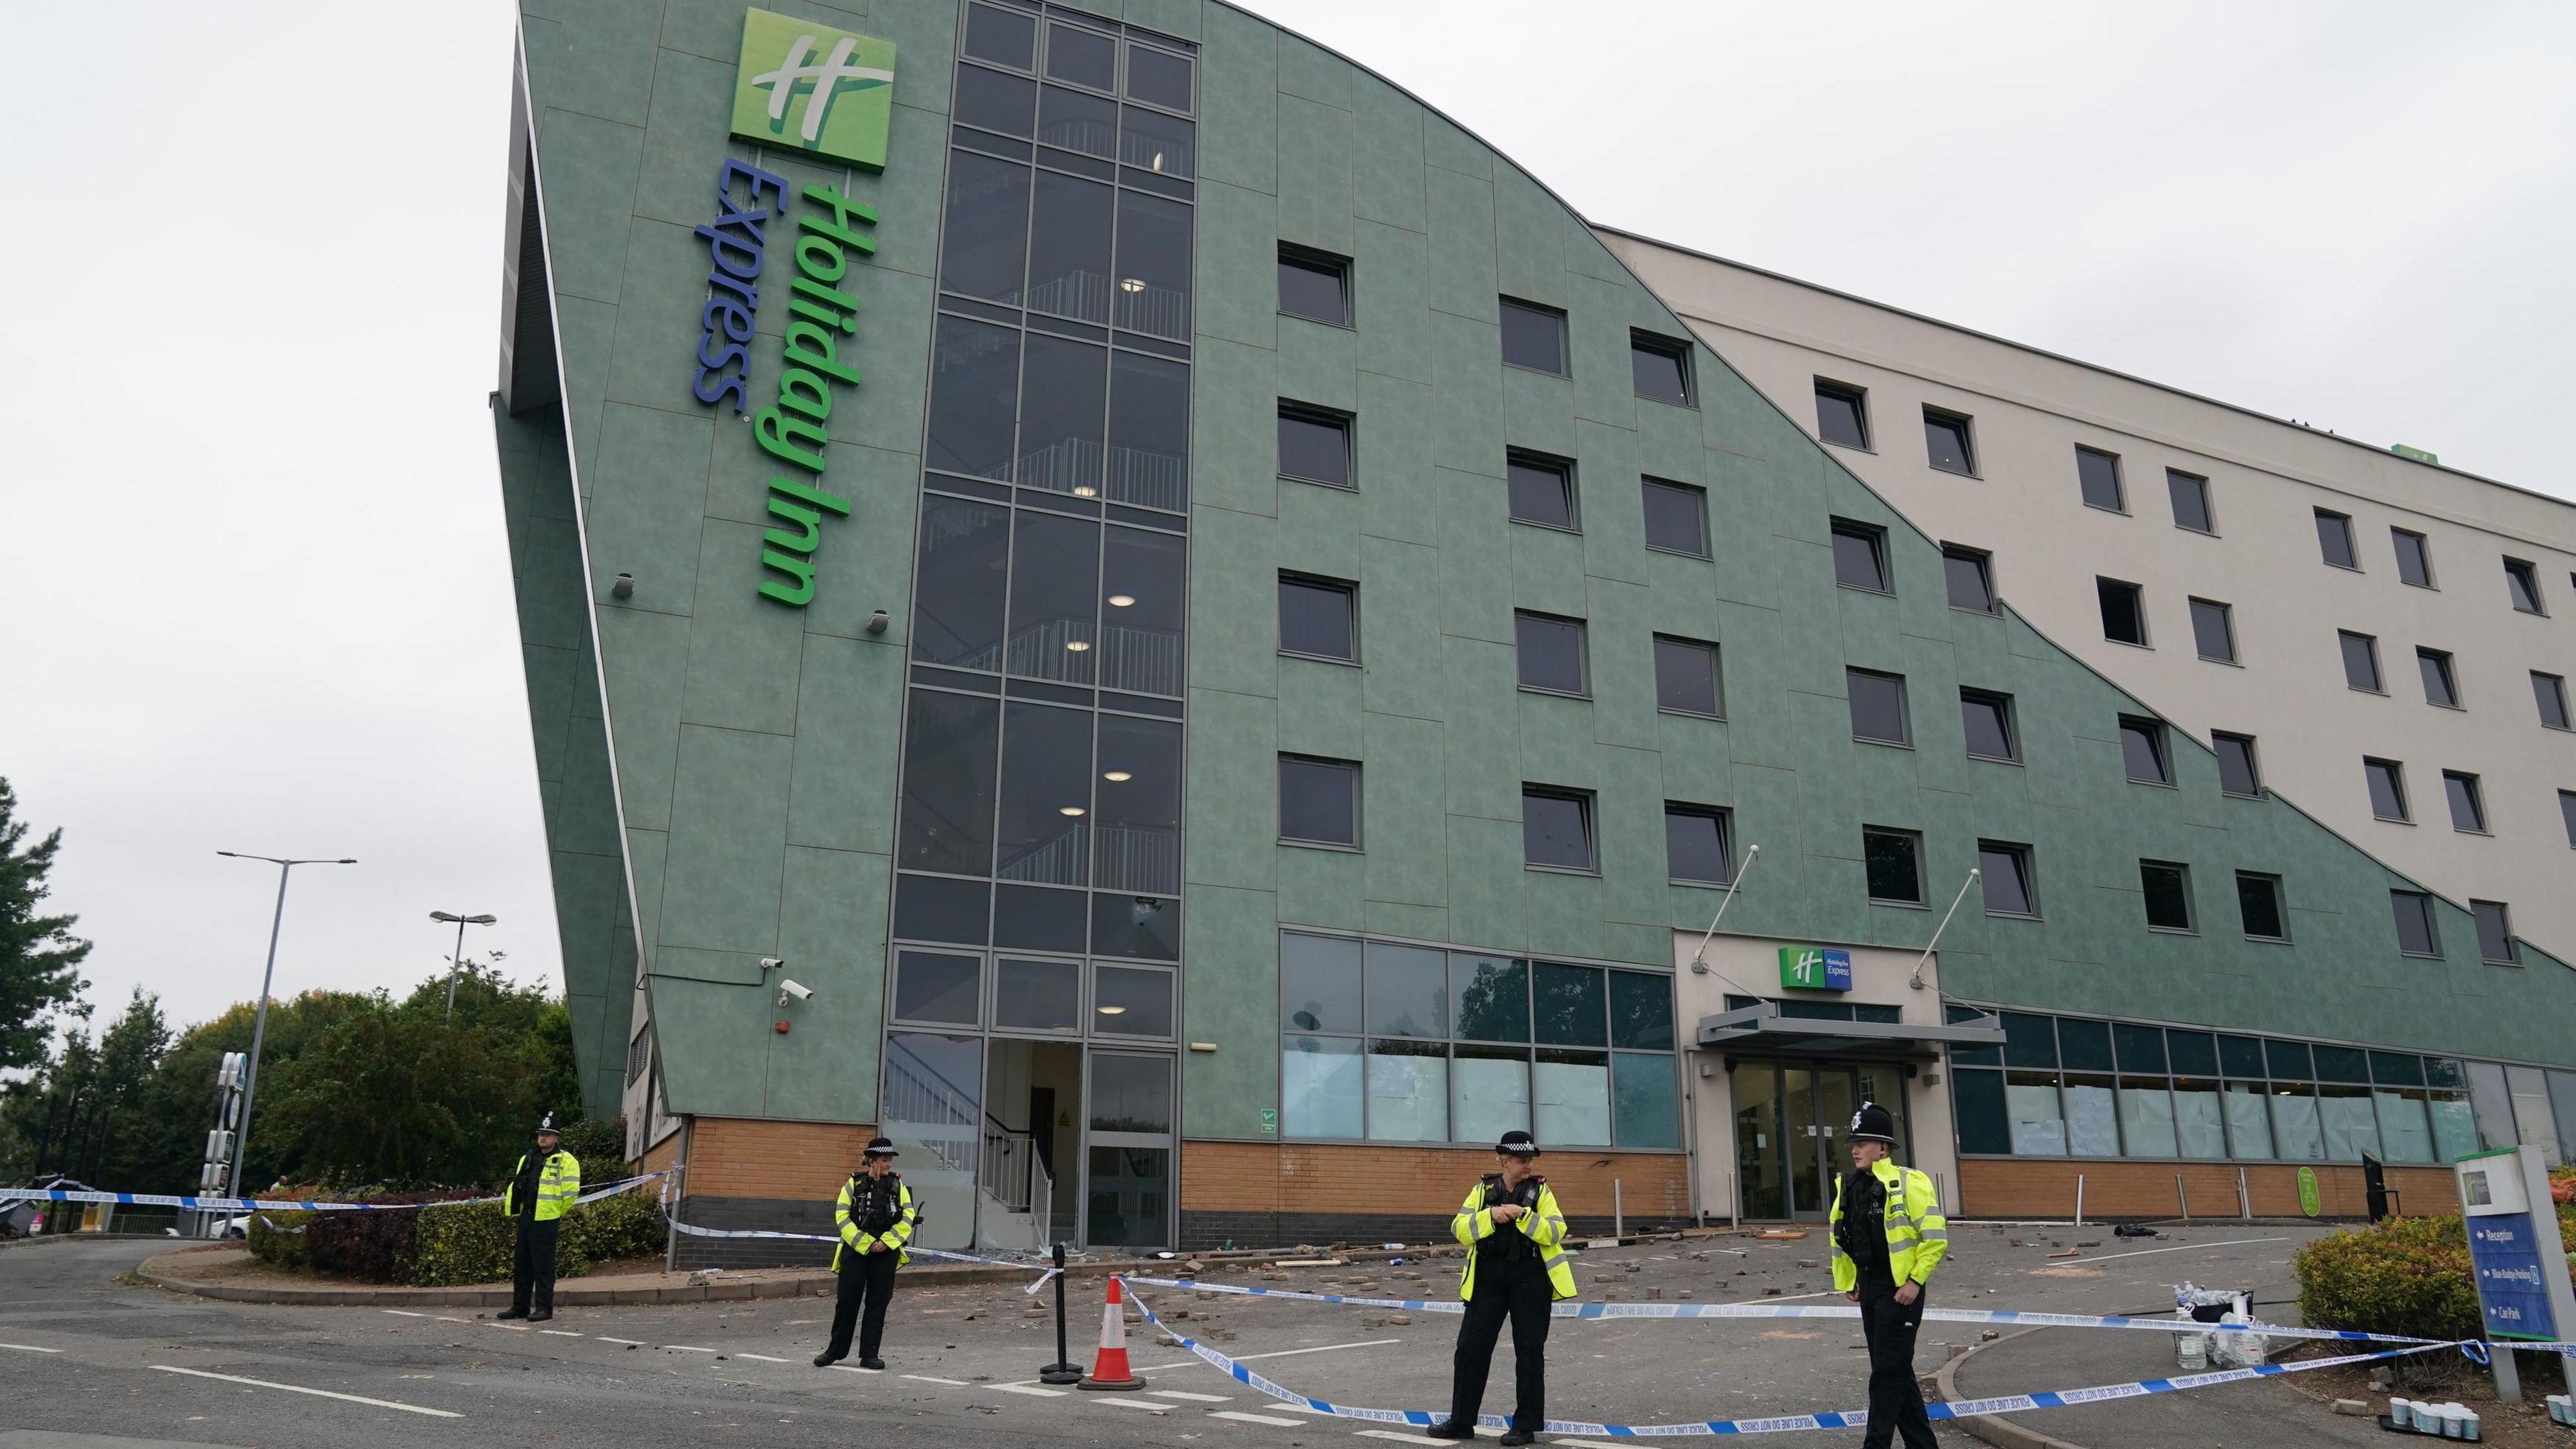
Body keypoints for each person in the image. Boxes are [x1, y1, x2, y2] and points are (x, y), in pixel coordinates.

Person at [1428, 1130, 1576, 1448]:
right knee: (1470, 1348)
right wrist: (1492, 1215)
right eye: (1522, 1161)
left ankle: (1525, 1426)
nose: (1528, 1166)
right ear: (1504, 1161)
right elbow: (1459, 1229)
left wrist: (1524, 1217)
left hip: (1531, 1278)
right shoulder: (1482, 1191)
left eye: (1530, 1161)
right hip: (1489, 1279)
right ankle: (1461, 1421)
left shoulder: (1542, 1193)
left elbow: (1556, 1231)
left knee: (1529, 1351)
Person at [1831, 1100, 1949, 1449]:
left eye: (1863, 1142)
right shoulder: (1849, 1186)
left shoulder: (1910, 1182)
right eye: (1853, 1142)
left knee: (1886, 1374)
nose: (1855, 1149)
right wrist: (1851, 1279)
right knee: (1896, 1372)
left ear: (1883, 1147)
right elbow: (1845, 1236)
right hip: (1869, 1286)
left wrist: (1914, 1282)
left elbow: (1935, 1239)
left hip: (1901, 1290)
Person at [814, 1136, 916, 1370]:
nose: (889, 1164)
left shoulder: (897, 1186)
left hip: (886, 1252)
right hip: (856, 1252)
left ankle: (869, 1355)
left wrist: (885, 1242)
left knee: (877, 1303)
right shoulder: (853, 1184)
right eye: (884, 1160)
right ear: (872, 1161)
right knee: (847, 1301)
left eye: (890, 1160)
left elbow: (907, 1217)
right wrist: (866, 1243)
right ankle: (836, 1351)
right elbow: (842, 1216)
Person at [498, 1112, 581, 1323]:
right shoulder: (528, 1158)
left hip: (546, 1219)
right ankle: (520, 1307)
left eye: (548, 1134)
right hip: (527, 1216)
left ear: (557, 1138)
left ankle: (544, 1308)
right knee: (522, 1265)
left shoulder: (566, 1160)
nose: (543, 1138)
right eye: (541, 1134)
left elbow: (571, 1192)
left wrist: (556, 1212)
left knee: (543, 1266)